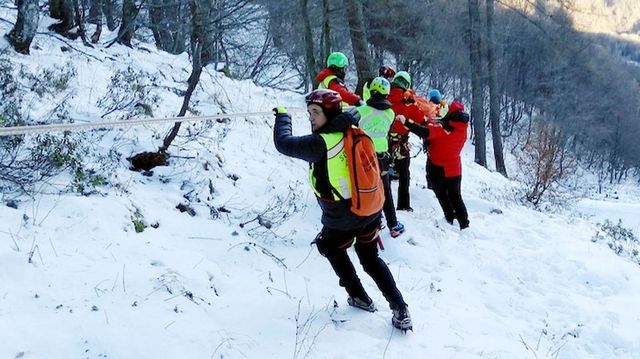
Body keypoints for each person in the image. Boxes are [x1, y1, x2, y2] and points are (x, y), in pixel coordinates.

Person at [273, 89, 412, 331]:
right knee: (370, 258)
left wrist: (282, 116)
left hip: (342, 216)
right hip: (369, 209)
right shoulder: (355, 130)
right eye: (309, 113)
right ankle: (400, 307)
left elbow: (283, 143)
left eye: (316, 112)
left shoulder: (319, 143)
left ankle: (359, 296)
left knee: (329, 246)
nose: (311, 118)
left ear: (330, 113)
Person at [398, 100, 470, 230]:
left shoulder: (442, 129)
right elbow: (439, 127)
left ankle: (450, 217)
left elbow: (425, 132)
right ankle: (464, 224)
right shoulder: (462, 129)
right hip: (455, 168)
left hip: (438, 167)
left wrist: (406, 122)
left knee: (441, 194)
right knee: (456, 197)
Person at [356, 77, 405, 238]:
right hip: (382, 156)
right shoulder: (390, 113)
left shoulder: (361, 111)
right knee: (385, 190)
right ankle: (393, 224)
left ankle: (373, 224)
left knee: (367, 190)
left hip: (363, 156)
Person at [387, 71, 427, 211]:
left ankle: (382, 203)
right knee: (404, 174)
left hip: (383, 142)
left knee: (383, 173)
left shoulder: (384, 95)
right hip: (400, 144)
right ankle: (403, 205)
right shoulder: (409, 102)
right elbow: (421, 120)